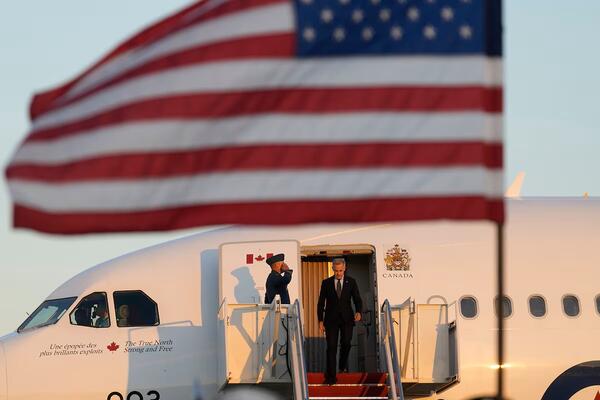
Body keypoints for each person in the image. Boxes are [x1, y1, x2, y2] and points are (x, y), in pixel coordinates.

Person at [317, 257, 363, 384]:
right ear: (332, 269)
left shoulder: (351, 282)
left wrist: (359, 311)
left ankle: (342, 365)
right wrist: (320, 321)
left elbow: (357, 299)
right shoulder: (326, 283)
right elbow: (321, 303)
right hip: (330, 320)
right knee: (331, 347)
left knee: (346, 343)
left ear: (344, 269)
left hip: (347, 319)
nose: (338, 273)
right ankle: (331, 377)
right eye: (336, 270)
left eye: (341, 270)